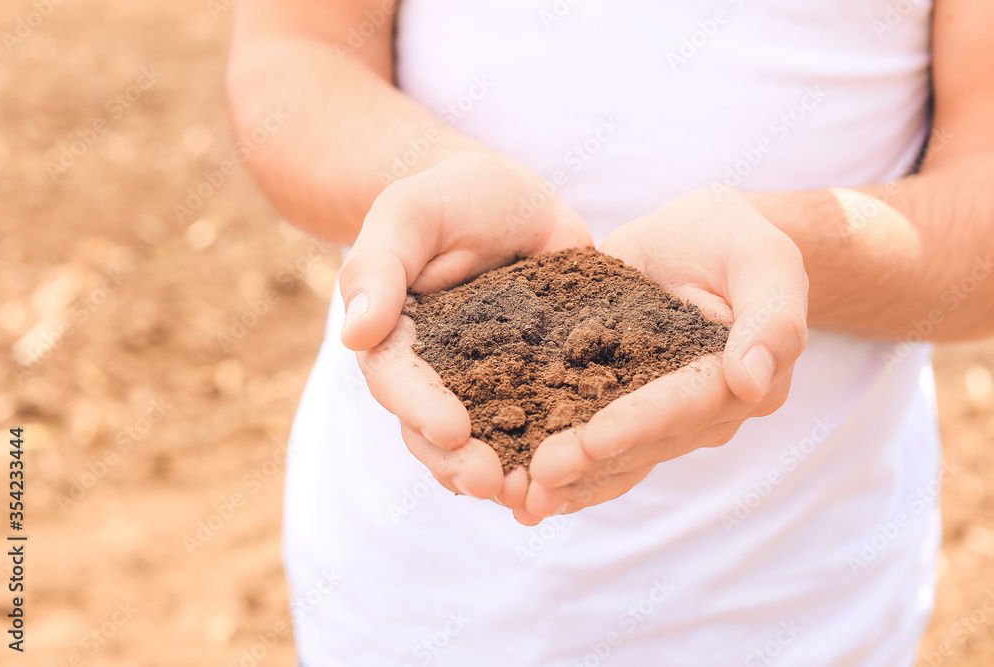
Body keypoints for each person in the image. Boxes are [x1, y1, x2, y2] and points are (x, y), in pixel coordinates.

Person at [226, 0, 994, 664]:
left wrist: (779, 252)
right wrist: (432, 182)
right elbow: (294, 51)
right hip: (409, 601)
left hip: (803, 609)